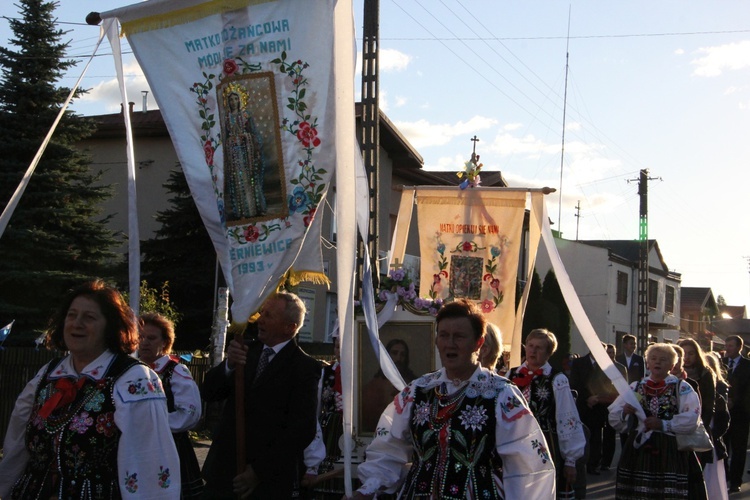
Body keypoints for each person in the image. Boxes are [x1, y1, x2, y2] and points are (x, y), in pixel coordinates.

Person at [352, 300, 556, 498]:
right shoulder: (418, 390)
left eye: (459, 336)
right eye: (444, 335)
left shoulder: (501, 394)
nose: (450, 344)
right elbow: (388, 448)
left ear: (479, 342)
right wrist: (368, 488)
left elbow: (529, 466)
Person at [0, 280, 181, 499]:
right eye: (71, 315)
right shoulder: (48, 374)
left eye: (89, 317)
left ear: (110, 327)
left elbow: (149, 461)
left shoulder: (134, 379)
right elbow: (16, 447)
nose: (77, 323)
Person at [201, 291, 321, 498]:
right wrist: (229, 366)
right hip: (224, 471)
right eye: (262, 313)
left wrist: (258, 472)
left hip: (266, 481)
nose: (260, 320)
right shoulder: (244, 350)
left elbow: (301, 428)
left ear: (289, 327)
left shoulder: (304, 367)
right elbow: (209, 392)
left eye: (269, 316)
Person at [608, 343, 706, 499]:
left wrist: (664, 424)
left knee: (667, 490)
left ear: (672, 364)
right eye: (653, 358)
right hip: (639, 448)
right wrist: (624, 412)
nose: (657, 362)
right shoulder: (636, 387)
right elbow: (615, 414)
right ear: (647, 362)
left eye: (663, 359)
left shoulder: (681, 388)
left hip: (670, 447)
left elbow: (692, 418)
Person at [508, 328, 585, 497]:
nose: (533, 351)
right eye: (530, 345)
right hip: (514, 444)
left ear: (549, 353)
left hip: (544, 445)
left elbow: (567, 418)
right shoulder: (511, 375)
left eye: (539, 348)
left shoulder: (557, 379)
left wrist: (570, 460)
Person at [139, 312, 204, 498]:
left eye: (151, 338)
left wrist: (153, 423)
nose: (144, 342)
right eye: (141, 337)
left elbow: (190, 413)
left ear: (165, 343)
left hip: (169, 448)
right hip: (140, 448)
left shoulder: (175, 371)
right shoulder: (133, 371)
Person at [569, 343, 625, 476]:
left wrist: (598, 398)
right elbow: (575, 383)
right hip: (583, 405)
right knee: (582, 436)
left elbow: (608, 385)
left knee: (596, 437)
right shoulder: (579, 363)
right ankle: (580, 462)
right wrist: (587, 398)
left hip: (599, 405)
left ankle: (593, 465)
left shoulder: (606, 365)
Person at [222, 84, 267, 222]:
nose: (233, 102)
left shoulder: (246, 115)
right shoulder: (227, 118)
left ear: (240, 100)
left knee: (250, 179)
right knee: (237, 181)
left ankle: (255, 208)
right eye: (231, 100)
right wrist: (230, 141)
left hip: (246, 152)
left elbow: (252, 133)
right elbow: (226, 136)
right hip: (234, 154)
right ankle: (242, 211)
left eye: (235, 99)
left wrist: (247, 140)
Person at [361, 338, 417, 432]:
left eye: (402, 354)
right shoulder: (372, 387)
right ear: (387, 355)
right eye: (394, 353)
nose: (399, 358)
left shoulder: (415, 383)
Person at [723, 335, 750, 493]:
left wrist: (735, 402)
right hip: (723, 413)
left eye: (731, 346)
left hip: (741, 413)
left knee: (738, 448)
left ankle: (735, 481)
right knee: (723, 447)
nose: (727, 348)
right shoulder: (722, 363)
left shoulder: (747, 365)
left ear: (739, 347)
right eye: (726, 345)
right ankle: (724, 476)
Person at [704, 351, 730, 500]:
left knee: (712, 477)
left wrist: (713, 435)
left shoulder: (719, 386)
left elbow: (723, 416)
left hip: (711, 437)